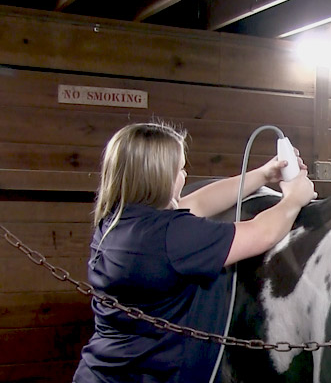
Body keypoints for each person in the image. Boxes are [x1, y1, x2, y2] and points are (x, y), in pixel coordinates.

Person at [72, 122, 316, 382]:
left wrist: (263, 175)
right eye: (179, 170)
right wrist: (293, 199)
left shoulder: (117, 221)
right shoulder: (173, 236)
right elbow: (263, 233)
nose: (184, 176)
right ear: (158, 177)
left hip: (97, 372)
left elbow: (198, 202)